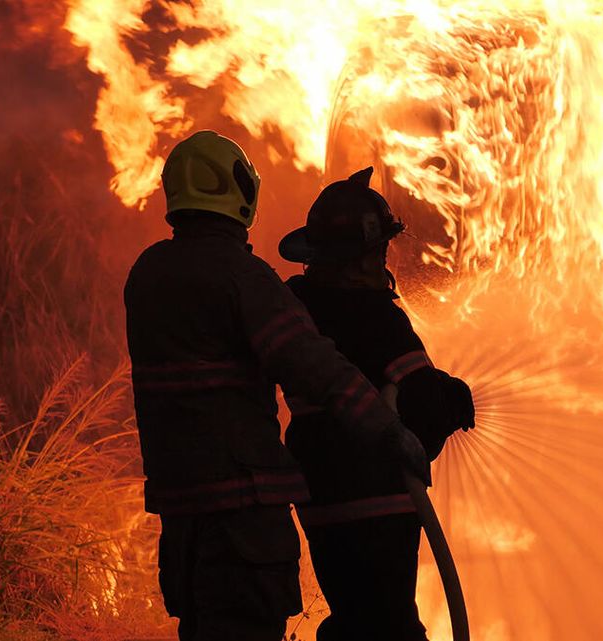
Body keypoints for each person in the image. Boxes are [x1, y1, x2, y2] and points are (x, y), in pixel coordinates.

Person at [124, 131, 430, 641]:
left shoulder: (147, 275)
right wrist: (388, 430)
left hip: (182, 513)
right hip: (244, 514)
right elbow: (310, 363)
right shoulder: (243, 278)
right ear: (237, 190)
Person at [279, 167, 474, 641]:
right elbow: (424, 410)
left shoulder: (296, 310)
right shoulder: (375, 318)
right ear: (360, 257)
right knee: (391, 627)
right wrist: (454, 398)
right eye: (379, 251)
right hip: (378, 500)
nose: (382, 262)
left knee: (354, 620)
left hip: (320, 499)